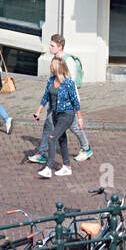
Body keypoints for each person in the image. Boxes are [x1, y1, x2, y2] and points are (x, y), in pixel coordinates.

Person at [28, 34, 93, 163]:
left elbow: (71, 84)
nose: (50, 47)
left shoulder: (67, 61)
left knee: (74, 127)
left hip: (66, 104)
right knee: (48, 125)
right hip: (54, 102)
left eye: (52, 45)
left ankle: (86, 148)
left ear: (60, 47)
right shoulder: (54, 59)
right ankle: (42, 152)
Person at [33, 57, 79, 178]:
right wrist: (38, 112)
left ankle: (48, 167)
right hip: (55, 115)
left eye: (52, 65)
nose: (50, 67)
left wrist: (80, 119)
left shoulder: (68, 83)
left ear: (57, 68)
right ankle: (67, 166)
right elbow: (45, 98)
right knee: (61, 139)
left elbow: (76, 102)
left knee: (51, 138)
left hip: (67, 115)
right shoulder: (50, 81)